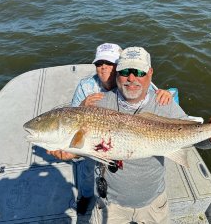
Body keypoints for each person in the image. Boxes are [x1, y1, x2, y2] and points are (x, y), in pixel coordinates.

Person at [49, 46, 211, 223]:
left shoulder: (164, 103)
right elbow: (87, 146)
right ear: (117, 74)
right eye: (125, 71)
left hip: (153, 202)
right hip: (111, 202)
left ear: (150, 73)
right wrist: (71, 153)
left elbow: (197, 140)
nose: (131, 78)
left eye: (139, 72)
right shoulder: (98, 103)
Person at [71, 43, 174, 215]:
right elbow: (73, 118)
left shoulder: (132, 78)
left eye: (110, 63)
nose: (104, 67)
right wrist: (82, 107)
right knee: (86, 168)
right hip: (93, 137)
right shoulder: (86, 86)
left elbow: (156, 94)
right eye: (99, 63)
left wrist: (168, 93)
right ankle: (85, 196)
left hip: (121, 137)